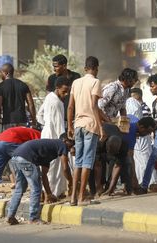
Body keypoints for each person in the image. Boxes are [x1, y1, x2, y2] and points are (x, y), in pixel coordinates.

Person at [6, 135, 74, 225]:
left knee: (20, 188)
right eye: (71, 144)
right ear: (65, 140)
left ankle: (10, 215)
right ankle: (33, 218)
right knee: (36, 188)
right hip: (26, 157)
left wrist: (49, 194)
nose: (70, 148)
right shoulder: (61, 144)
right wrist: (71, 183)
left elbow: (44, 176)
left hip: (15, 157)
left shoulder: (48, 151)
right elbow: (65, 168)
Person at [0, 126, 41, 222]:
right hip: (12, 142)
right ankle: (33, 217)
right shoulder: (39, 135)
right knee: (30, 181)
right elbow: (35, 156)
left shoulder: (25, 131)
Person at [67, 56, 105, 206]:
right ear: (96, 68)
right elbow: (95, 105)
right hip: (91, 125)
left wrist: (70, 126)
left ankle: (73, 197)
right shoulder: (96, 82)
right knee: (87, 162)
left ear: (84, 68)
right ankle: (82, 197)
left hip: (78, 125)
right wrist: (101, 127)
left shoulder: (76, 82)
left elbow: (70, 106)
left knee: (78, 162)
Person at [101, 117, 156, 196]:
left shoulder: (131, 127)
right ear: (141, 127)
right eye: (148, 132)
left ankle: (112, 188)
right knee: (126, 163)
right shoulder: (131, 131)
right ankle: (123, 189)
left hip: (114, 147)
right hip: (108, 146)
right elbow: (130, 156)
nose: (148, 134)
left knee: (123, 162)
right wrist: (135, 181)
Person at [37, 76, 72, 199]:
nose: (65, 94)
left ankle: (46, 192)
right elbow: (60, 127)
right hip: (54, 137)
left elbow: (39, 115)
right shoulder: (58, 103)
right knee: (55, 167)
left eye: (67, 91)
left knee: (48, 167)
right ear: (57, 88)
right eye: (64, 91)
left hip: (46, 134)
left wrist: (46, 124)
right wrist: (66, 141)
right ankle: (53, 193)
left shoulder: (49, 97)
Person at [0, 63, 36, 131]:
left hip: (8, 121)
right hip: (22, 121)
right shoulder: (23, 85)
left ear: (6, 73)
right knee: (22, 141)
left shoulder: (0, 87)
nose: (0, 74)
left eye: (1, 72)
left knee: (9, 141)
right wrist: (34, 121)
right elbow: (31, 105)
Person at [46, 54, 81, 122]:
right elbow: (48, 98)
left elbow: (79, 96)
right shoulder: (51, 78)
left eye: (56, 67)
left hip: (73, 118)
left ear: (64, 66)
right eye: (53, 66)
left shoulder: (76, 77)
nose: (54, 69)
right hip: (57, 118)